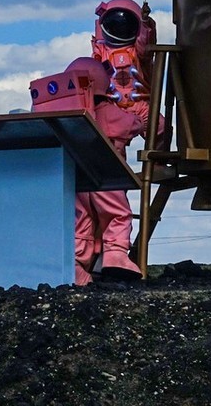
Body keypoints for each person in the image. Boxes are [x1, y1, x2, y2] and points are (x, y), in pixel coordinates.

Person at [61, 56, 147, 285]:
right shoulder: (109, 112)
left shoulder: (68, 117)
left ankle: (78, 265)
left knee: (82, 220)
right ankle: (116, 255)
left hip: (79, 178)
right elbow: (135, 124)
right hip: (108, 177)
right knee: (116, 214)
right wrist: (139, 112)